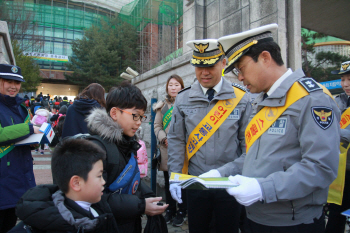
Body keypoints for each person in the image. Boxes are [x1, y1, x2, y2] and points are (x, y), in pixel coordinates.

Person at [217, 23, 340, 232]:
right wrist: (221, 173)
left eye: (241, 68)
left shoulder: (311, 99)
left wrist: (263, 189)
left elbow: (321, 166)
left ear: (265, 58)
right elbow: (255, 156)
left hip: (292, 222)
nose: (239, 77)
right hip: (255, 216)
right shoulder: (263, 101)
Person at [167, 39, 252, 233]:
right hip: (197, 183)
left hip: (229, 182)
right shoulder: (183, 98)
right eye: (199, 66)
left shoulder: (240, 98)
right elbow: (176, 140)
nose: (204, 72)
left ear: (223, 63)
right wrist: (174, 175)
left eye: (210, 66)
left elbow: (247, 144)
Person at [86, 82, 167, 233]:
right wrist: (141, 206)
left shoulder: (127, 142)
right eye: (135, 115)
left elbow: (131, 179)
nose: (139, 122)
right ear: (115, 113)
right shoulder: (96, 149)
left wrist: (149, 196)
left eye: (142, 116)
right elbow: (95, 199)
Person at [11, 138, 119, 233]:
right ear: (76, 183)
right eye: (99, 176)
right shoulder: (60, 225)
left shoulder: (98, 206)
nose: (103, 181)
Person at [0, 64, 41, 233]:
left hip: (21, 177)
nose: (13, 86)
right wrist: (30, 129)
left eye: (17, 83)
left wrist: (34, 141)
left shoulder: (21, 107)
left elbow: (21, 136)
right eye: (8, 81)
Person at [153, 74, 187, 226]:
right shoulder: (162, 106)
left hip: (183, 150)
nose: (173, 88)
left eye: (176, 85)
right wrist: (163, 138)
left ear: (182, 86)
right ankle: (170, 210)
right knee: (169, 181)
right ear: (167, 87)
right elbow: (157, 126)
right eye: (171, 85)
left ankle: (182, 211)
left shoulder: (188, 103)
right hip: (167, 149)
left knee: (183, 181)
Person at [325, 61, 350, 233]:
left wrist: (332, 131)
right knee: (336, 215)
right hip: (339, 172)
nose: (345, 84)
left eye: (349, 79)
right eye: (342, 79)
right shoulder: (336, 101)